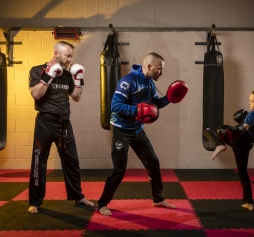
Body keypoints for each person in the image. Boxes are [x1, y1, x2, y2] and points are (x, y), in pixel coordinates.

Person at [97, 52, 188, 216]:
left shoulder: (150, 83)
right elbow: (115, 105)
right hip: (121, 129)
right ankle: (102, 203)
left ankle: (158, 198)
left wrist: (169, 98)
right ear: (150, 66)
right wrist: (136, 110)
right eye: (159, 69)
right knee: (119, 170)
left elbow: (154, 105)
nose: (161, 72)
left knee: (153, 162)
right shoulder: (128, 81)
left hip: (137, 130)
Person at [27, 41, 94, 214]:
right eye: (68, 56)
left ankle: (78, 196)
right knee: (38, 162)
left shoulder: (68, 73)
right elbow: (35, 94)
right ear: (56, 53)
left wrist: (78, 80)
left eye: (71, 56)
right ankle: (34, 202)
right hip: (45, 122)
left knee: (72, 161)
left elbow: (76, 97)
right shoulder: (37, 70)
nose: (70, 59)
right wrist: (48, 76)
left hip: (64, 123)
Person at [204, 89, 254, 211]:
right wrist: (242, 122)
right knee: (243, 172)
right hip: (246, 145)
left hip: (241, 139)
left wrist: (240, 127)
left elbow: (246, 125)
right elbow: (250, 124)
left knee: (216, 130)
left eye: (252, 101)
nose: (249, 103)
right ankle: (248, 202)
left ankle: (220, 145)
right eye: (249, 101)